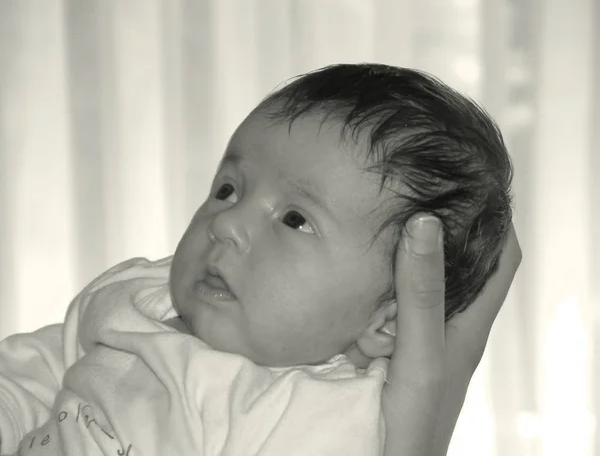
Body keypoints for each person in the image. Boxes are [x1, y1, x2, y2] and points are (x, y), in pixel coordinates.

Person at [0, 63, 519, 456]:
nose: (226, 223)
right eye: (228, 189)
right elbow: (34, 374)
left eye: (294, 219)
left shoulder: (316, 413)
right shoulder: (139, 297)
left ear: (387, 322)